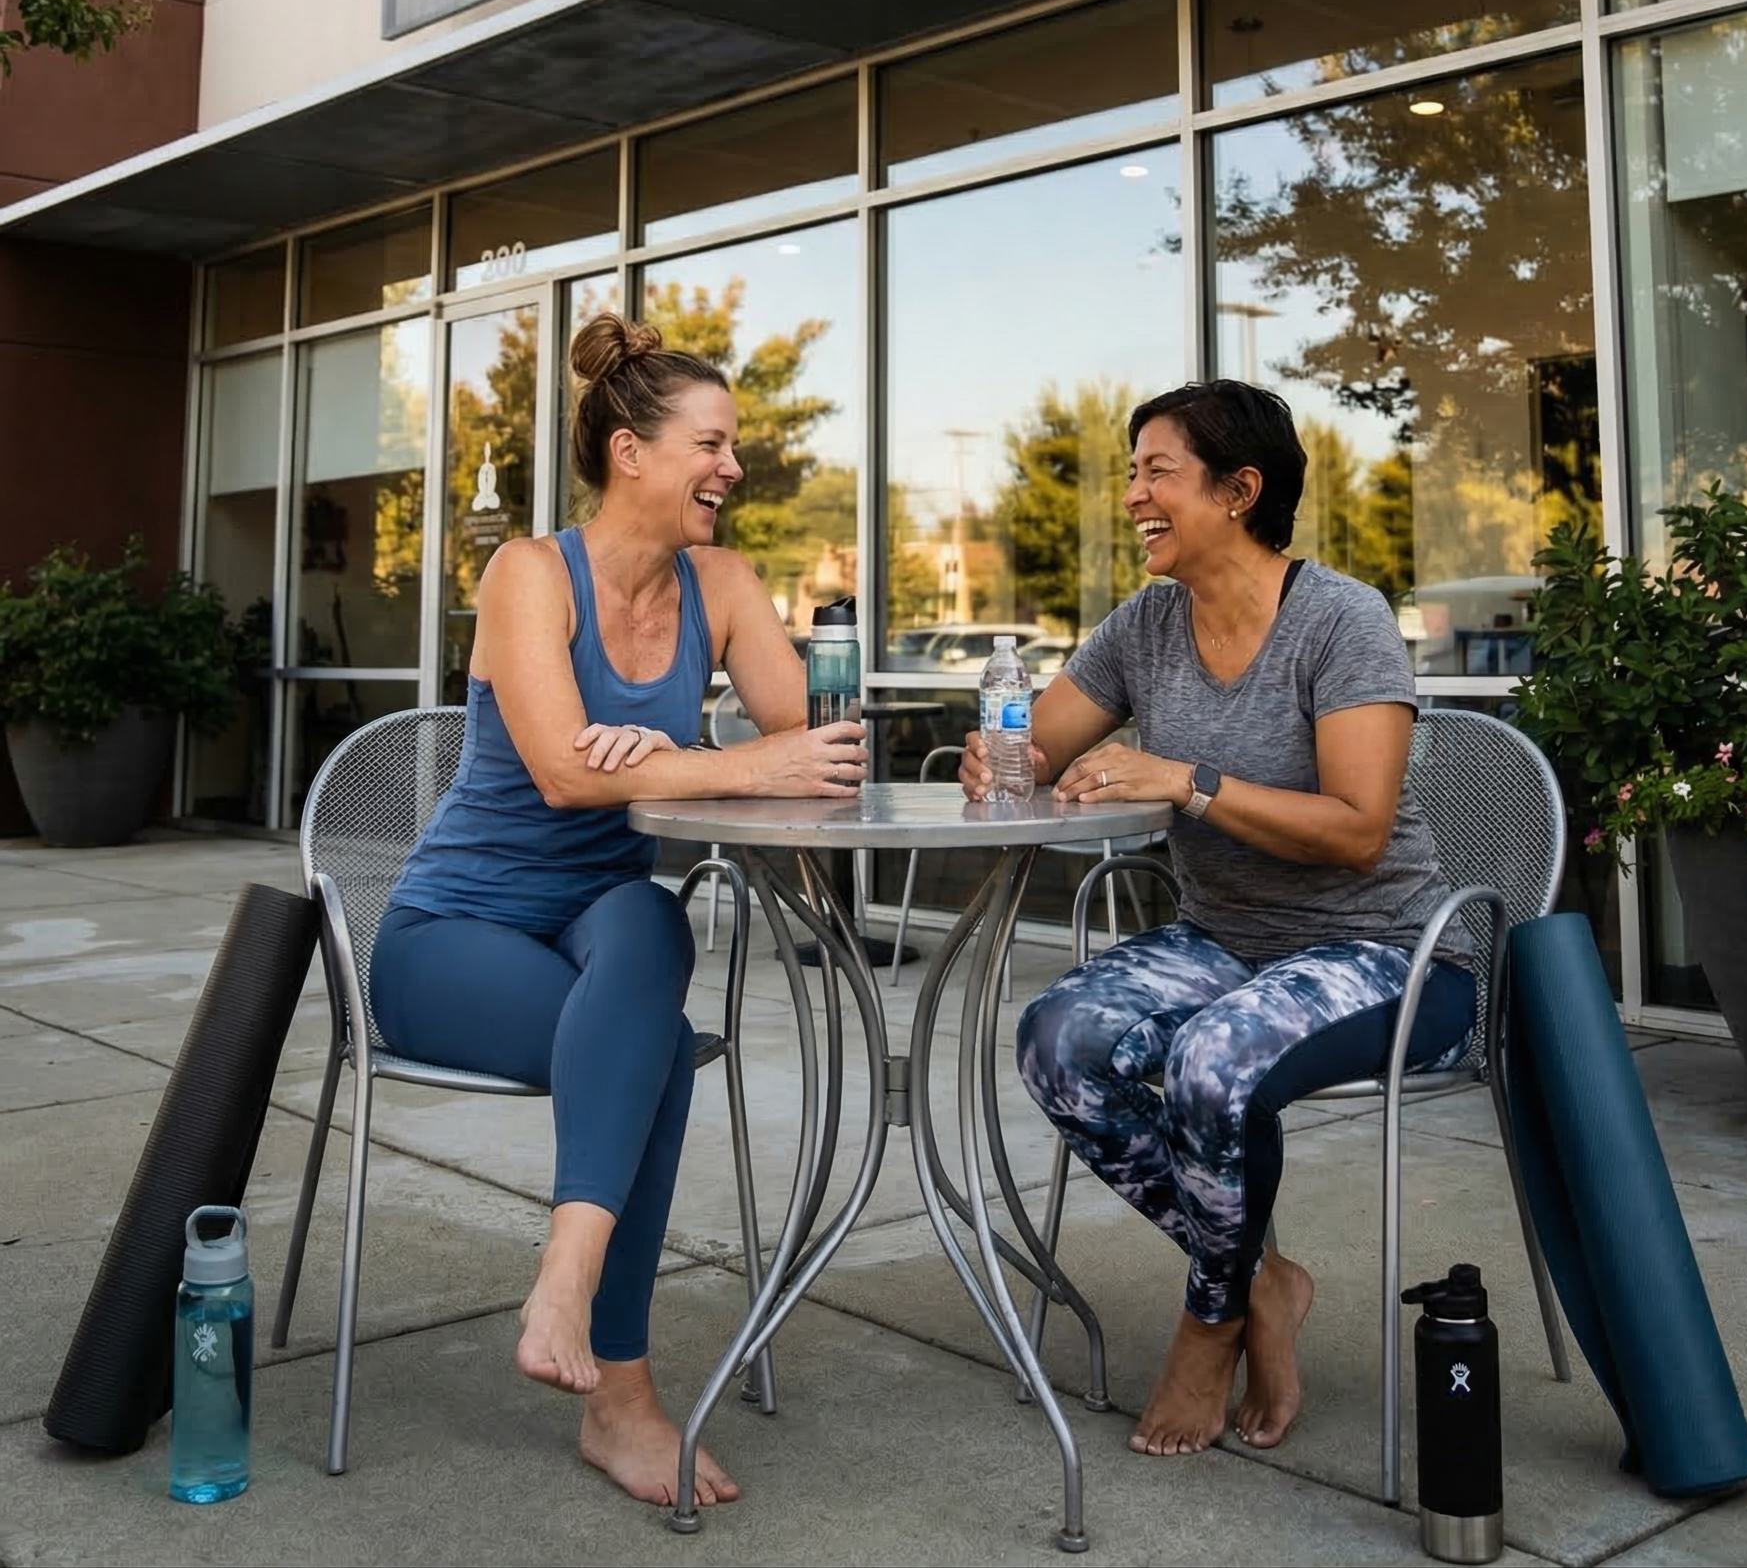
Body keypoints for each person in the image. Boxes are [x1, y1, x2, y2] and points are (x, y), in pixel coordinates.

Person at [370, 311, 866, 1509]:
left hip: (599, 917)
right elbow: (563, 772)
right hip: (452, 936)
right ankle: (619, 1388)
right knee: (654, 1053)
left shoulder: (723, 581)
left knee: (651, 923)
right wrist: (722, 762)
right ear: (630, 453)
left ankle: (568, 1285)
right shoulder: (528, 572)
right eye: (711, 442)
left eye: (734, 443)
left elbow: (826, 748)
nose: (733, 467)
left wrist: (679, 743)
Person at [960, 380, 1476, 1460]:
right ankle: (1262, 1277)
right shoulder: (1145, 623)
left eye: (1158, 471)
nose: (1133, 494)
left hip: (1393, 950)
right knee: (1060, 1041)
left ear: (1240, 490)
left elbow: (1356, 828)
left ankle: (1209, 1322)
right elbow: (1039, 744)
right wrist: (1001, 754)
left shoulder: (1341, 617)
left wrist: (1188, 776)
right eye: (1131, 470)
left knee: (1212, 1061)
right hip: (1228, 939)